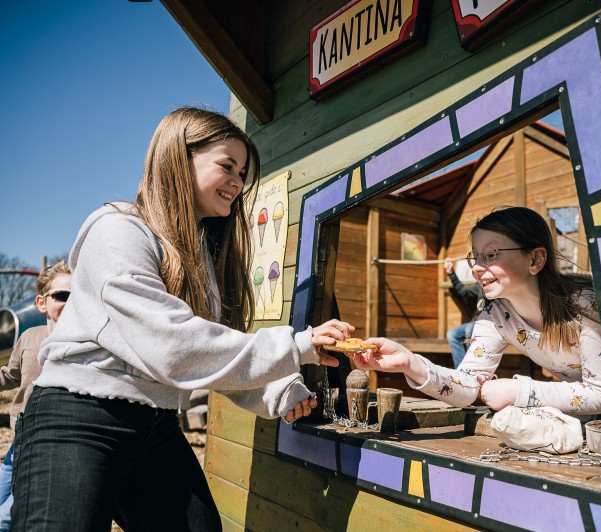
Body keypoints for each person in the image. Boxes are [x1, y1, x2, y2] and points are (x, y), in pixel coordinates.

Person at [11, 107, 354, 531]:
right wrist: (297, 345)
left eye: (242, 173)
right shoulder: (118, 229)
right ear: (177, 158)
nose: (238, 182)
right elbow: (173, 346)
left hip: (156, 422)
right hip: (79, 416)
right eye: (227, 166)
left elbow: (207, 354)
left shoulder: (201, 257)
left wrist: (279, 391)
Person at [353, 206, 601, 452]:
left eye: (490, 255)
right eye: (475, 257)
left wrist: (519, 391)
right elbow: (468, 385)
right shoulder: (496, 315)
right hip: (594, 427)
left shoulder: (585, 305)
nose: (477, 268)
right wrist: (410, 363)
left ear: (535, 259)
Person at [0, 261, 71, 531]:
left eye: (78, 296)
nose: (70, 303)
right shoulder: (29, 337)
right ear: (41, 303)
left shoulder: (83, 345)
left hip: (51, 439)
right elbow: (11, 375)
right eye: (62, 296)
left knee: (8, 515)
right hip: (21, 436)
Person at [442, 257, 484, 367]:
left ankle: (473, 367)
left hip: (488, 324)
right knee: (452, 334)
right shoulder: (480, 286)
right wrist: (450, 272)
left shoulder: (498, 287)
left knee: (470, 329)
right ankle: (460, 369)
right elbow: (462, 290)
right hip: (475, 322)